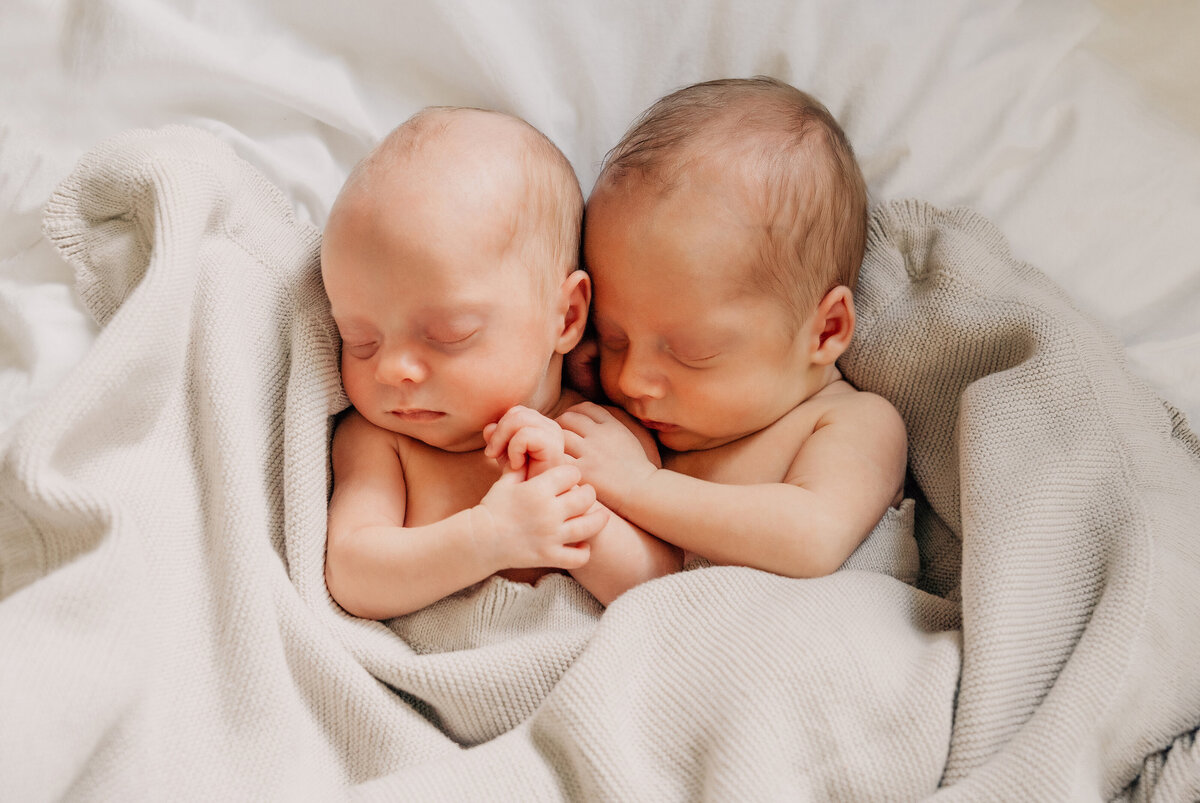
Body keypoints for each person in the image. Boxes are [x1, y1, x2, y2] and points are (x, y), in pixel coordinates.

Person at [321, 107, 680, 620]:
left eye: (449, 334)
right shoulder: (382, 442)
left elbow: (658, 583)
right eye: (359, 340)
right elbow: (353, 575)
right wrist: (486, 539)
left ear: (566, 317)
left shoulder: (598, 436)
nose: (391, 369)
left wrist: (572, 511)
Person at [560, 77, 907, 577]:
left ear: (826, 331)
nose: (632, 379)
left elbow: (813, 537)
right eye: (615, 336)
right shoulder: (643, 419)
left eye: (691, 352)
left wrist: (639, 486)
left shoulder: (851, 423)